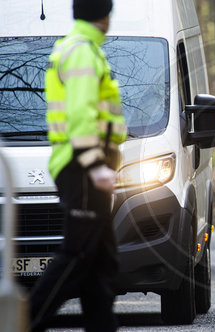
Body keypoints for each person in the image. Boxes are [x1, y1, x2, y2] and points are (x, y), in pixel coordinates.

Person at [29, 0, 127, 331]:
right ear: (105, 15)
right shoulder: (83, 50)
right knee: (79, 254)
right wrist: (94, 162)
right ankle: (23, 321)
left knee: (101, 261)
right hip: (82, 164)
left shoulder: (81, 48)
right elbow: (81, 113)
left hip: (83, 162)